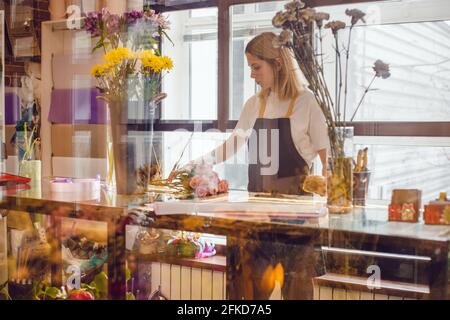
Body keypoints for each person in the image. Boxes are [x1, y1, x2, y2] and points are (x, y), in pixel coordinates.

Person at [172, 32, 329, 195]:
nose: (252, 74)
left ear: (278, 64)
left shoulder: (306, 102)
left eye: (256, 67)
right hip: (257, 205)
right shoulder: (254, 104)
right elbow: (230, 147)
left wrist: (331, 202)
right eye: (250, 68)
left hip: (296, 209)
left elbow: (328, 162)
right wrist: (192, 166)